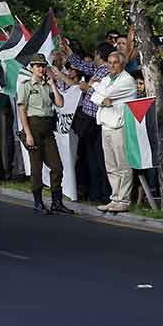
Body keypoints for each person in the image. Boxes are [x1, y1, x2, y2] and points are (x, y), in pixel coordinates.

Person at [17, 54, 71, 214]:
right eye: (37, 66)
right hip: (33, 127)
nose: (40, 69)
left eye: (42, 66)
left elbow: (60, 103)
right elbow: (22, 111)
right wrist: (27, 134)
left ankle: (56, 202)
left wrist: (53, 85)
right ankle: (38, 202)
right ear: (31, 68)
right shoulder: (26, 86)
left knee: (57, 166)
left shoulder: (48, 86)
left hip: (48, 129)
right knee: (36, 168)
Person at [63, 39, 114, 203]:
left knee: (100, 159)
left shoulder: (108, 71)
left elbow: (106, 94)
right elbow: (81, 65)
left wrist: (88, 88)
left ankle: (105, 194)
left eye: (95, 54)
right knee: (92, 158)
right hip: (89, 120)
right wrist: (68, 51)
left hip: (97, 120)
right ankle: (95, 193)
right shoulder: (98, 69)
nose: (93, 57)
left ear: (100, 55)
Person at [91, 51, 138, 213]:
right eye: (109, 62)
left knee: (123, 165)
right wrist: (101, 98)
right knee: (111, 166)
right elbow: (94, 98)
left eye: (115, 62)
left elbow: (106, 93)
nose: (111, 65)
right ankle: (115, 198)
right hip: (105, 125)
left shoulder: (127, 80)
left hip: (119, 126)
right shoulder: (107, 78)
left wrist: (95, 86)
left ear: (122, 64)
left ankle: (123, 200)